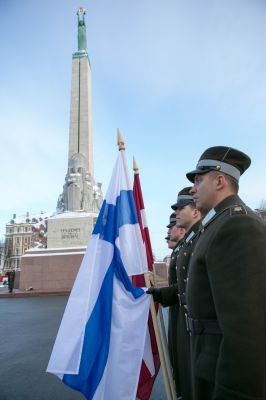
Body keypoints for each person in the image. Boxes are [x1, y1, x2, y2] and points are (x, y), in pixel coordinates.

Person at [185, 146, 266, 400]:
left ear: (220, 180)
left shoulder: (237, 223)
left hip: (224, 375)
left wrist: (235, 393)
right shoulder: (218, 222)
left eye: (198, 180)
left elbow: (247, 329)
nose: (192, 189)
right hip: (208, 359)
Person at [148, 188, 202, 399]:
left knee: (191, 370)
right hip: (184, 317)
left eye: (181, 208)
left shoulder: (196, 241)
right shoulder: (186, 244)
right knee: (181, 364)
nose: (169, 232)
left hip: (194, 320)